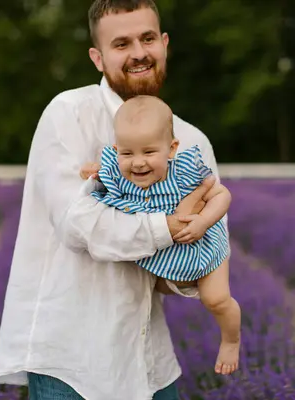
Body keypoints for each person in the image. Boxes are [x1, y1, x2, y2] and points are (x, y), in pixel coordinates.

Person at [0, 0, 236, 398]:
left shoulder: (191, 142)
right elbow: (78, 224)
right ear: (98, 57)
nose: (139, 53)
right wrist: (170, 226)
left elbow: (204, 255)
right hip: (71, 366)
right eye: (121, 43)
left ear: (165, 43)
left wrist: (191, 268)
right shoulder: (68, 114)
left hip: (151, 364)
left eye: (148, 38)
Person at [79, 95, 241, 375]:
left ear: (172, 148)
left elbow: (222, 195)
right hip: (167, 258)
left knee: (215, 298)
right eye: (127, 153)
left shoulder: (185, 171)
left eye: (149, 152)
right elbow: (97, 190)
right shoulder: (117, 174)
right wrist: (91, 172)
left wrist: (203, 221)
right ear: (116, 149)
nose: (138, 163)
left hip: (206, 247)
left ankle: (231, 339)